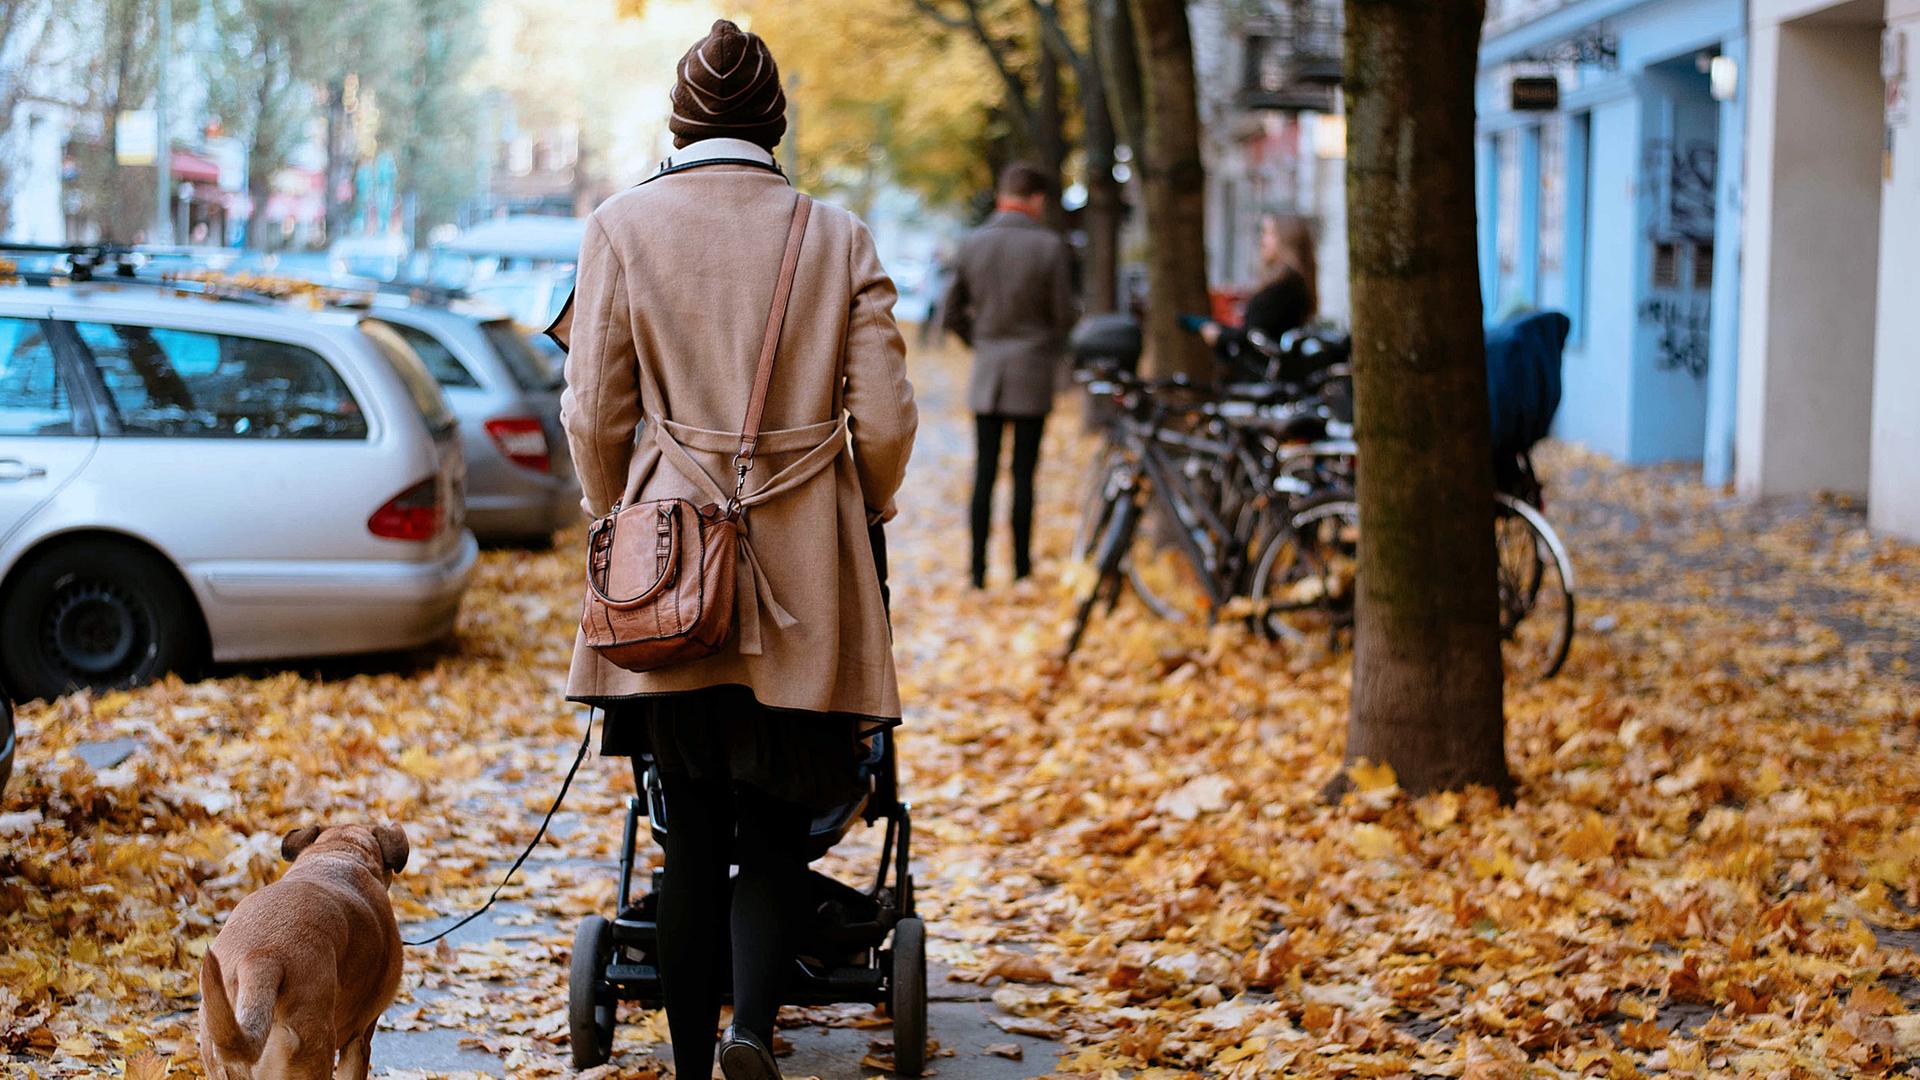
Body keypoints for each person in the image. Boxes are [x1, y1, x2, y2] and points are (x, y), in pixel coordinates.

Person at [555, 20, 918, 1080]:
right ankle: (751, 1032)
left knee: (689, 826)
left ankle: (685, 1059)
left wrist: (614, 511)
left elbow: (592, 411)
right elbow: (886, 417)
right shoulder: (837, 236)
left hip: (668, 571)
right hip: (807, 570)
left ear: (678, 123)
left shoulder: (620, 226)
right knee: (773, 825)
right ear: (775, 125)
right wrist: (864, 510)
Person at [939, 162, 1078, 588]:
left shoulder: (973, 243)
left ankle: (977, 572)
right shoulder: (1050, 246)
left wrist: (981, 341)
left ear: (1002, 195)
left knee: (984, 473)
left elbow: (950, 312)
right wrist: (1045, 345)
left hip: (988, 372)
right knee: (1023, 476)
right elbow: (1064, 315)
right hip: (1032, 373)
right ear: (1036, 199)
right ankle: (1021, 570)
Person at [1198, 212, 1319, 379]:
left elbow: (1255, 333)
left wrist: (1220, 336)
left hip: (1262, 378)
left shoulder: (1286, 285)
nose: (1262, 240)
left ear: (1285, 238)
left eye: (1268, 233)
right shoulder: (1292, 282)